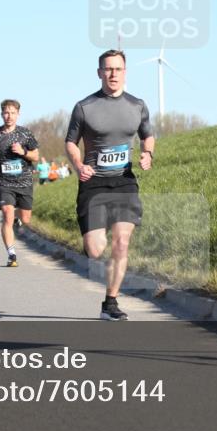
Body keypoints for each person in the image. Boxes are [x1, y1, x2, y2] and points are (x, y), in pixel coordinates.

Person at [65, 49, 155, 321]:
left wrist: (147, 153)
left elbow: (148, 135)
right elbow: (70, 142)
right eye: (108, 69)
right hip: (93, 183)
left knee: (122, 243)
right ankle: (92, 235)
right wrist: (79, 165)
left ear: (125, 72)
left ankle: (111, 302)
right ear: (99, 73)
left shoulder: (137, 105)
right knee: (95, 249)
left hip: (124, 181)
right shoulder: (85, 107)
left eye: (118, 69)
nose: (113, 74)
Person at [0, 99, 40, 267]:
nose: (9, 116)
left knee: (26, 219)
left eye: (13, 113)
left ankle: (17, 219)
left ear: (18, 114)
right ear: (1, 114)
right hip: (4, 182)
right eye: (6, 113)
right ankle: (11, 254)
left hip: (25, 182)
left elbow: (35, 156)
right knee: (7, 213)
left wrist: (23, 152)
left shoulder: (25, 134)